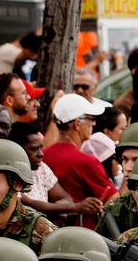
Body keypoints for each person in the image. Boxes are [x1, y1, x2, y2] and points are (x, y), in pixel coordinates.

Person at [42, 94, 118, 225]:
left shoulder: (42, 156)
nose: (94, 123)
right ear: (77, 124)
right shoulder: (86, 162)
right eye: (91, 118)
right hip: (86, 237)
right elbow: (116, 204)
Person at [9, 122, 102, 221]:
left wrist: (59, 208)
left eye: (41, 147)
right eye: (34, 149)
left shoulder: (41, 168)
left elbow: (65, 197)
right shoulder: (9, 174)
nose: (41, 154)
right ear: (18, 150)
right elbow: (32, 204)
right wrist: (75, 207)